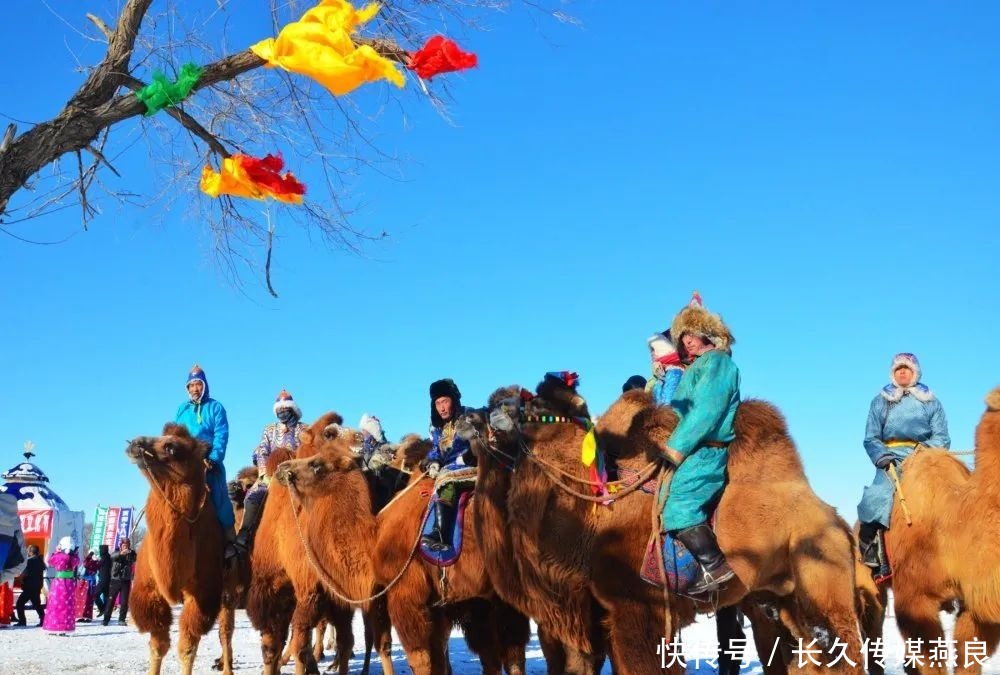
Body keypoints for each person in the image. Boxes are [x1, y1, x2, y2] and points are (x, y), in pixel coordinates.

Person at [659, 292, 741, 597]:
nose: (687, 341)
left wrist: (675, 448)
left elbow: (705, 411)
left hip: (706, 450)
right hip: (692, 446)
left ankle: (716, 567)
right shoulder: (695, 368)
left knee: (679, 505)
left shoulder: (718, 363)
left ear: (707, 334)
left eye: (692, 334)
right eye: (683, 337)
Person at [857, 352, 950, 582]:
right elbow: (871, 437)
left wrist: (924, 451)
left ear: (915, 372)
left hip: (924, 456)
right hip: (891, 458)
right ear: (893, 373)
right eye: (898, 369)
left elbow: (942, 436)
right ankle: (875, 554)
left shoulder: (930, 401)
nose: (902, 372)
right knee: (877, 497)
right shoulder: (881, 400)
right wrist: (882, 457)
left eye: (907, 369)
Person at [231, 390, 308, 559]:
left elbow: (307, 450)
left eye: (285, 409)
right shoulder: (269, 429)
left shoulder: (304, 429)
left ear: (293, 409)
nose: (282, 412)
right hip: (271, 473)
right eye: (279, 409)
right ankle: (244, 536)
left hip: (296, 472)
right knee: (253, 497)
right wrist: (265, 471)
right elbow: (262, 450)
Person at [174, 364, 236, 557]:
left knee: (219, 496)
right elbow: (176, 436)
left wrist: (214, 458)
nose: (194, 389)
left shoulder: (215, 407)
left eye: (198, 384)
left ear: (204, 385)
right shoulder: (182, 410)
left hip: (208, 462)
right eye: (191, 385)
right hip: (185, 463)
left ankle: (230, 542)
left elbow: (221, 434)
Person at [420, 379, 476, 552]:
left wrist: (467, 457)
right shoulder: (438, 429)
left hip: (473, 465)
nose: (442, 408)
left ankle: (442, 533)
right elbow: (436, 451)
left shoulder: (470, 416)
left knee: (446, 479)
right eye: (437, 403)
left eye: (445, 401)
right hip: (449, 469)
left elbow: (480, 442)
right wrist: (433, 462)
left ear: (454, 399)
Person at [42, 537, 79, 635]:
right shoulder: (74, 558)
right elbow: (77, 562)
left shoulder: (59, 556)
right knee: (67, 605)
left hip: (59, 582)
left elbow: (50, 561)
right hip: (70, 583)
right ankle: (65, 627)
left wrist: (57, 551)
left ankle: (54, 626)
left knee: (55, 604)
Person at [102, 538, 137, 626]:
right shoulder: (116, 552)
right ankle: (106, 618)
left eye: (127, 545)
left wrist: (132, 553)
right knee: (111, 600)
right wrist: (121, 553)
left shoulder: (131, 553)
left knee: (124, 601)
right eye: (124, 545)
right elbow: (112, 557)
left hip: (126, 580)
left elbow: (136, 559)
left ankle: (121, 619)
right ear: (121, 546)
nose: (125, 547)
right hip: (115, 580)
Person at [646, 329, 686, 405]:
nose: (652, 354)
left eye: (653, 350)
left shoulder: (674, 371)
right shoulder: (661, 374)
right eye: (651, 351)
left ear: (661, 350)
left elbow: (669, 402)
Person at [14, 545, 45, 627]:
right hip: (38, 585)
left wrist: (18, 578)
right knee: (36, 604)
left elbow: (24, 573)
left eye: (28, 550)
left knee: (20, 603)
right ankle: (43, 619)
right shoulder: (40, 560)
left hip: (29, 585)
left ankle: (22, 621)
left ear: (30, 552)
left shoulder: (28, 562)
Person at [94, 544, 112, 616]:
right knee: (106, 596)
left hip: (103, 580)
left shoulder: (104, 558)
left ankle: (102, 609)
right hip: (108, 580)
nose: (100, 551)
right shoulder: (109, 557)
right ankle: (106, 612)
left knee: (95, 595)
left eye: (100, 550)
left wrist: (95, 561)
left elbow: (97, 566)